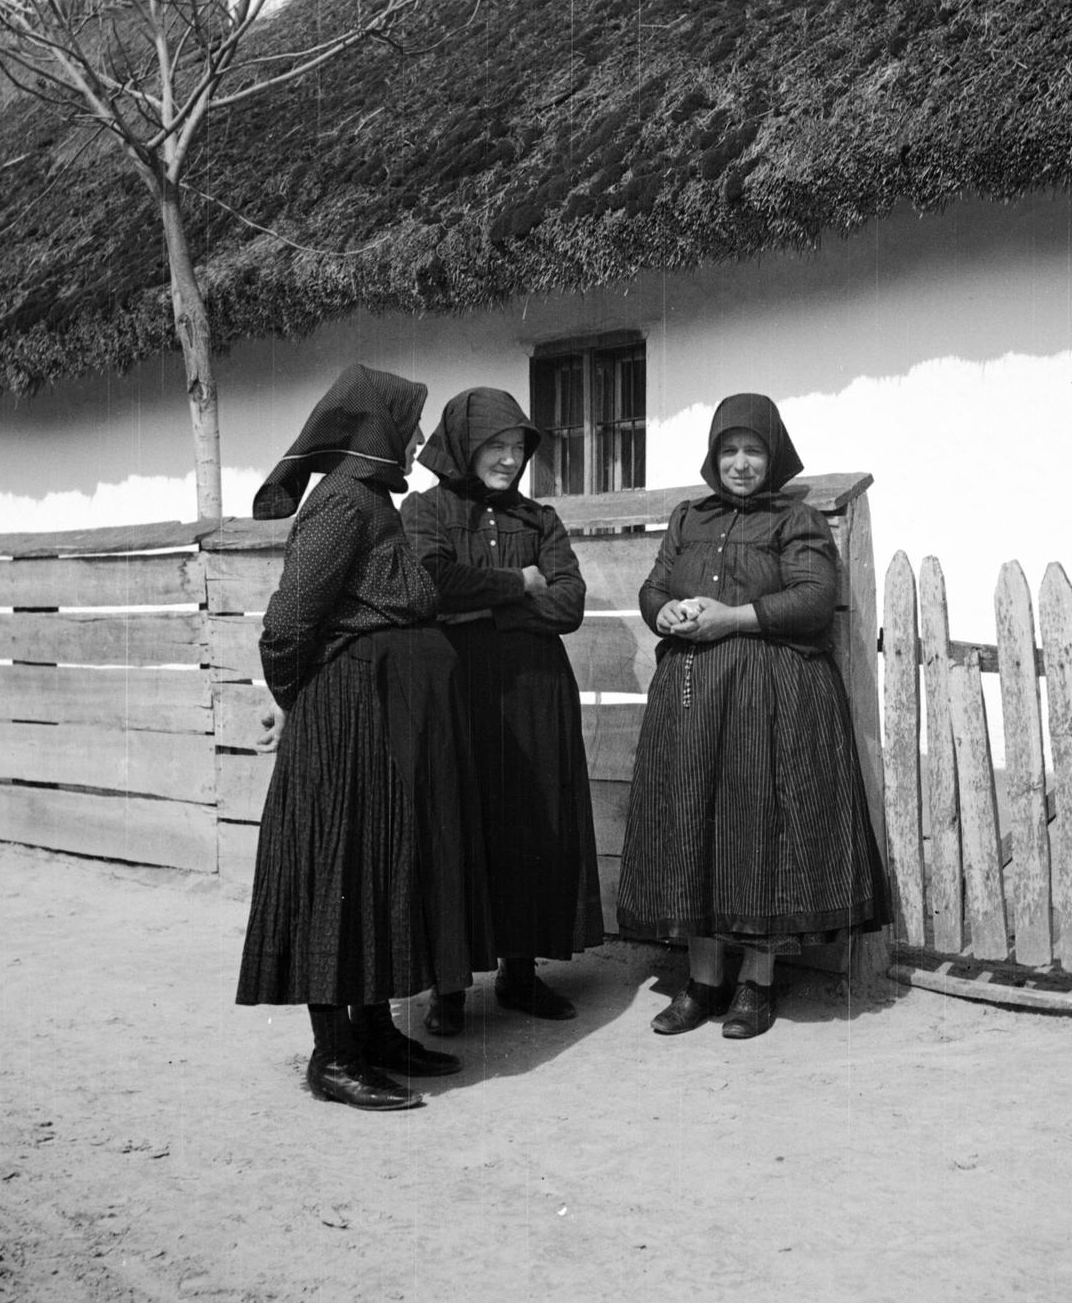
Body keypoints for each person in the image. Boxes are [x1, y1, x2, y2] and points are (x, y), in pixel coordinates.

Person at [235, 364, 493, 1111]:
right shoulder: (342, 505)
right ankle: (332, 1055)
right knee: (337, 866)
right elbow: (287, 625)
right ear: (376, 430)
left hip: (381, 709)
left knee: (379, 864)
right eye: (409, 426)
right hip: (347, 710)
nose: (418, 439)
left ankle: (374, 1031)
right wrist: (304, 701)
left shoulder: (369, 500)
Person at [615, 394, 886, 1039]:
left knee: (756, 829)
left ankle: (755, 985)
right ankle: (702, 982)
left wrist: (732, 618)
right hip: (692, 696)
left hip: (772, 697)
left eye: (754, 451)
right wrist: (667, 613)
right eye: (729, 450)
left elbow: (816, 598)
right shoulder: (689, 516)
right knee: (695, 830)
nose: (740, 463)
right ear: (713, 457)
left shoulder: (795, 521)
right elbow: (655, 585)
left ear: (774, 457)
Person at [402, 388, 604, 1032]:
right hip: (457, 693)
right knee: (457, 826)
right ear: (463, 444)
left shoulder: (539, 520)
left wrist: (480, 606)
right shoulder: (425, 510)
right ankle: (449, 990)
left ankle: (521, 974)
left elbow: (568, 604)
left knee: (528, 826)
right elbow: (429, 586)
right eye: (497, 446)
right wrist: (517, 586)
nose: (509, 460)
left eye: (518, 448)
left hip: (533, 697)